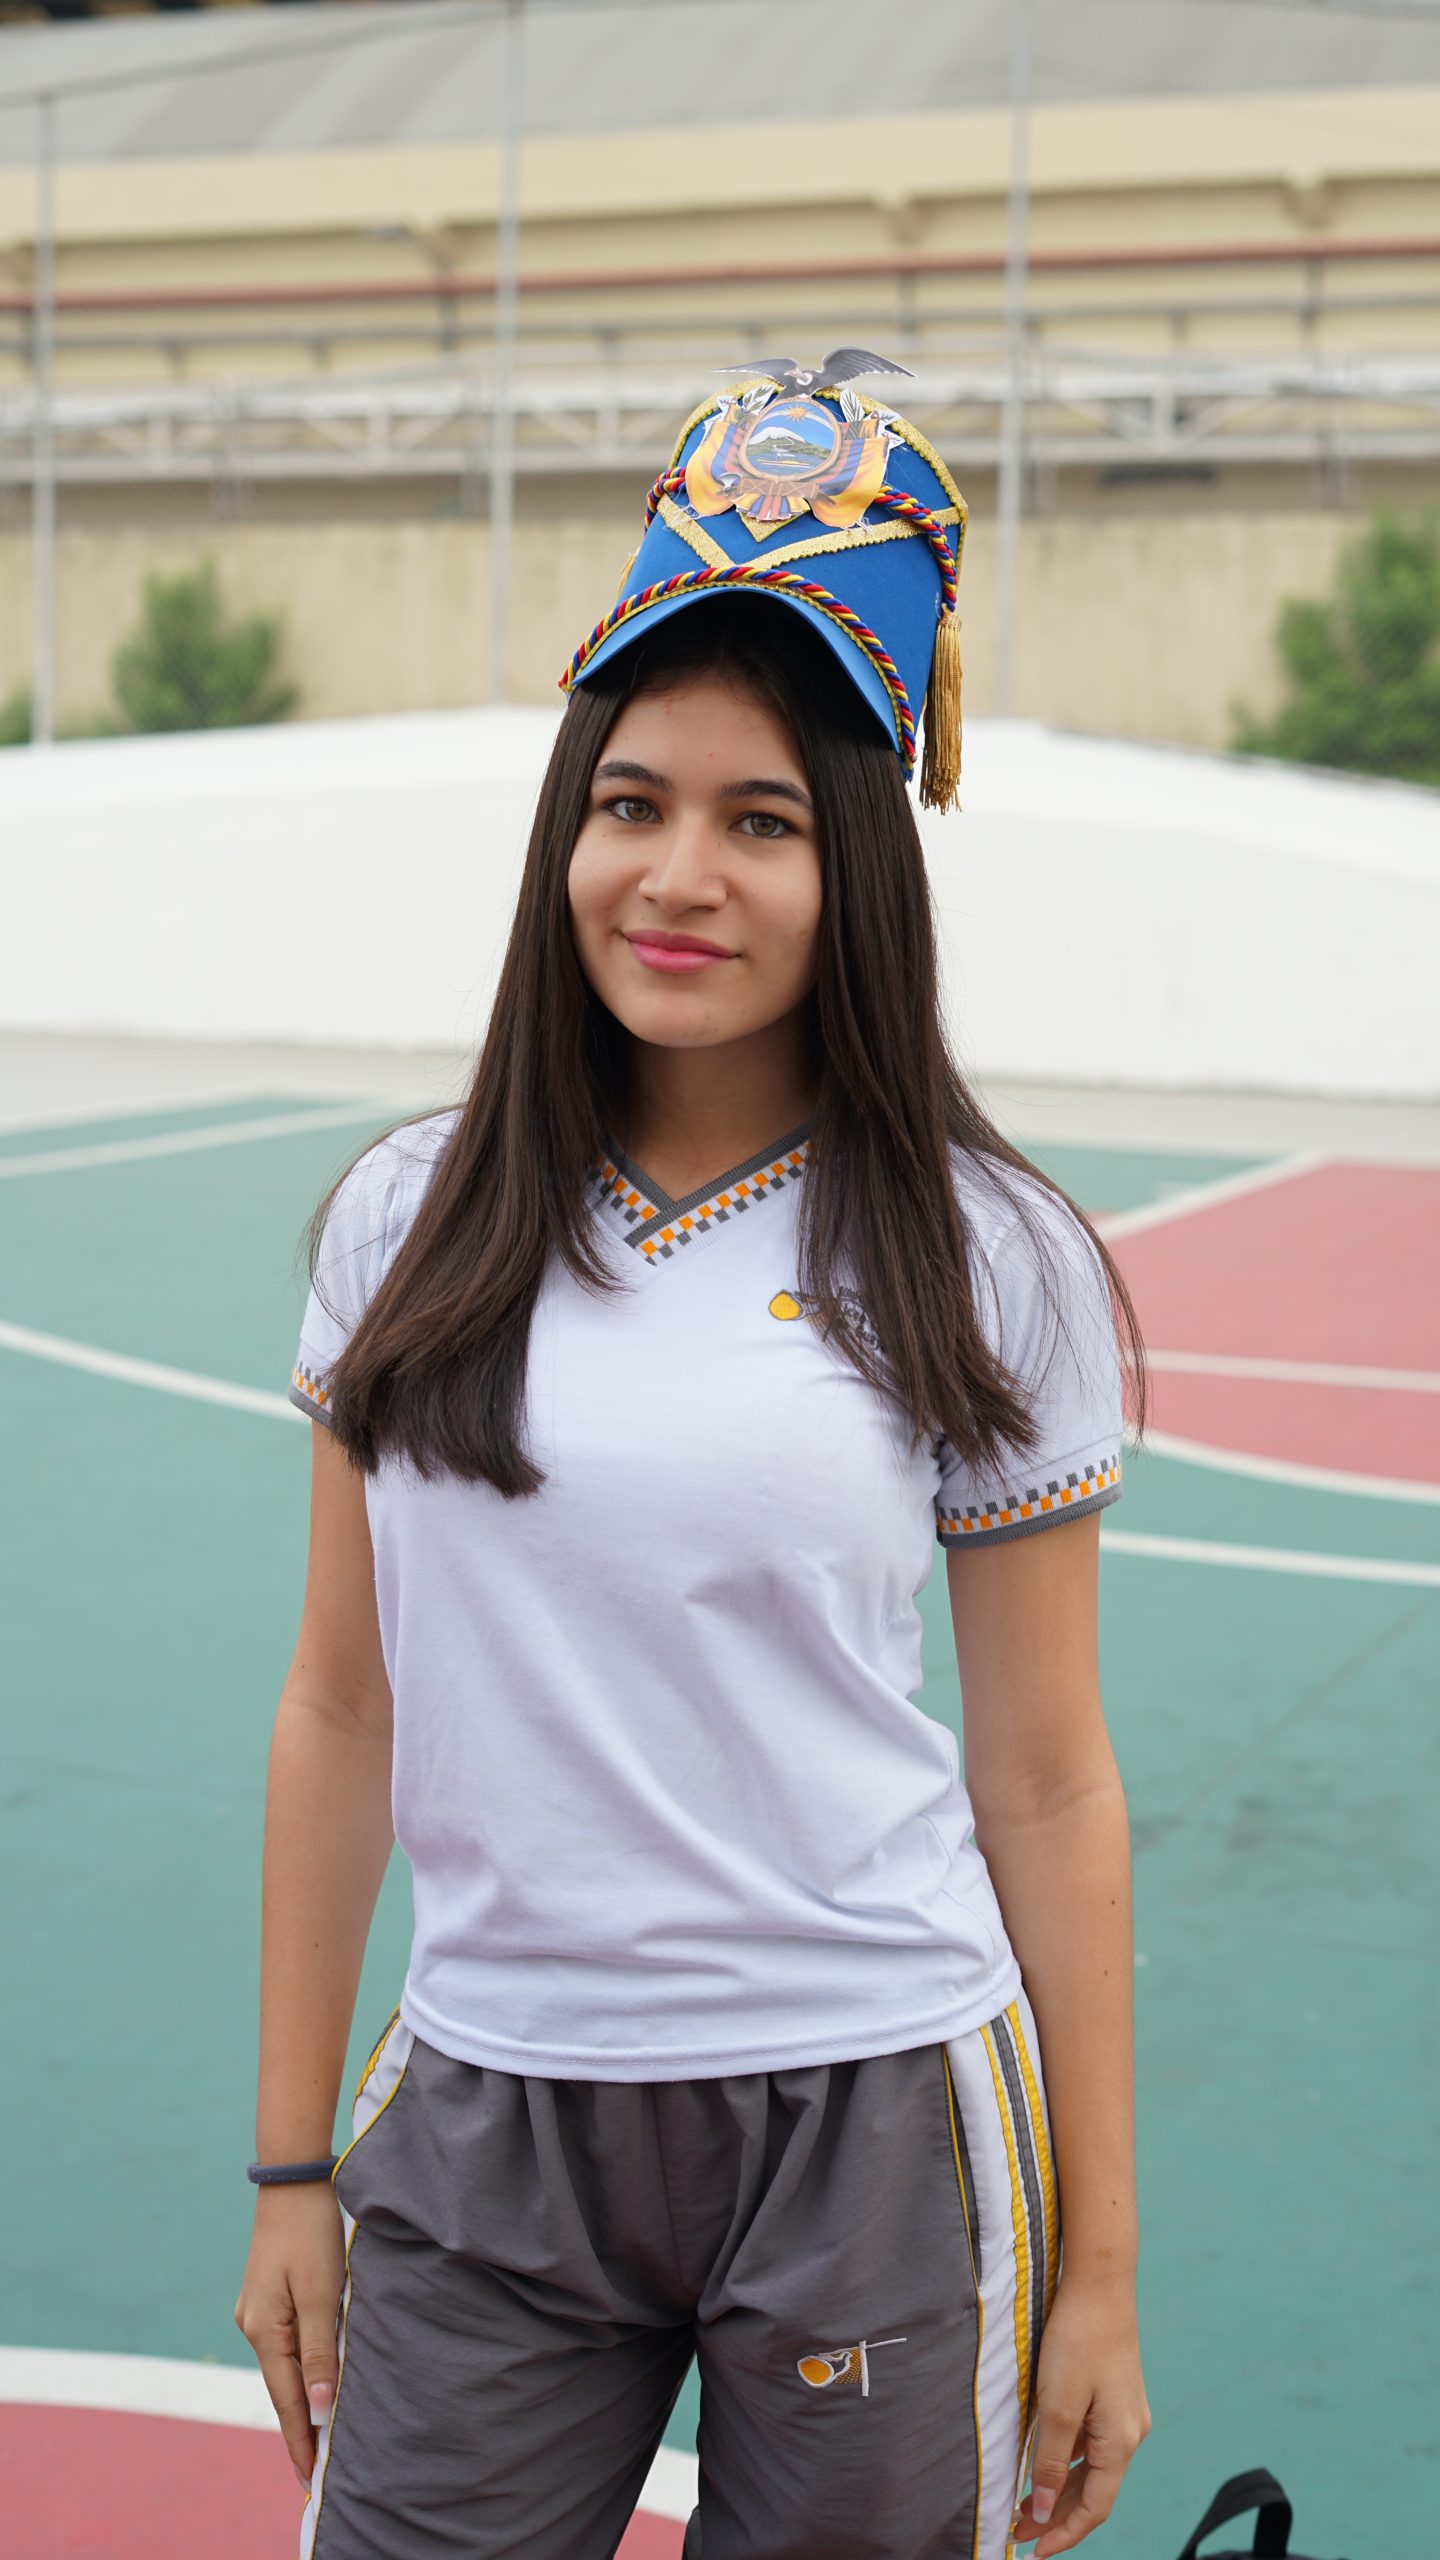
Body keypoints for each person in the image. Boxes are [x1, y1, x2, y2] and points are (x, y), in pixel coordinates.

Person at [234, 354, 1153, 2560]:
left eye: (762, 821)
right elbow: (343, 1701)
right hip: (490, 2103)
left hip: (876, 2121)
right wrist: (286, 2167)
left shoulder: (988, 1252)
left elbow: (1045, 1780)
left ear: (859, 863)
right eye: (631, 800)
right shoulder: (408, 1214)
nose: (677, 874)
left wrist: (1104, 2265)